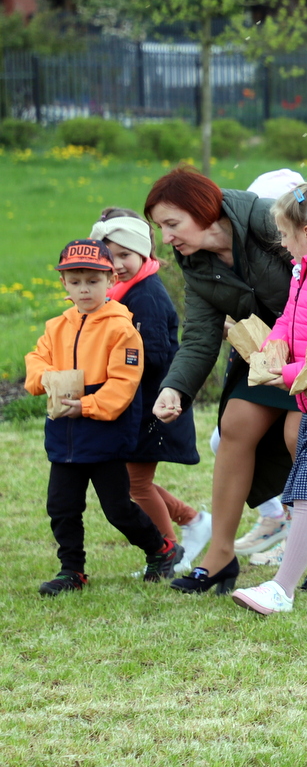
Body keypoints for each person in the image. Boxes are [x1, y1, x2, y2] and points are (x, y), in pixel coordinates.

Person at [145, 167, 297, 595]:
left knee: (298, 437)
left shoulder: (269, 219)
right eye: (161, 227)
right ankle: (221, 556)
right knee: (234, 425)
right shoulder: (194, 260)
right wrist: (174, 389)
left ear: (202, 210)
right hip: (264, 355)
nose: (167, 237)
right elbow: (199, 335)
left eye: (172, 224)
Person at [26, 240, 181, 595]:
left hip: (106, 435)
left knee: (117, 510)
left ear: (110, 280)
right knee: (62, 507)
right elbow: (36, 360)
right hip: (64, 432)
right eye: (75, 280)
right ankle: (72, 570)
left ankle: (161, 550)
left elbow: (124, 385)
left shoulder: (122, 329)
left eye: (93, 281)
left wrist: (87, 406)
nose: (84, 288)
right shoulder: (56, 327)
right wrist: (45, 380)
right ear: (64, 283)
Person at [231, 176, 307, 616]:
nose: (281, 244)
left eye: (284, 234)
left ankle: (282, 589)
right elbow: (288, 317)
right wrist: (269, 349)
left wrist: (282, 374)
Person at [89, 209, 210, 573]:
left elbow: (155, 356)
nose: (120, 264)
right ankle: (192, 520)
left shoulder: (145, 296)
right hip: (132, 406)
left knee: (135, 484)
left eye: (126, 255)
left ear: (145, 254)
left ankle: (167, 552)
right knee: (131, 482)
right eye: (112, 257)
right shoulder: (121, 293)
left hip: (152, 405)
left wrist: (115, 367)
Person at [231, 169, 305, 563]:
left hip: (301, 377)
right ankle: (276, 518)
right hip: (275, 368)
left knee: (300, 448)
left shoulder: (306, 262)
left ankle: (300, 539)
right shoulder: (264, 258)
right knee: (224, 439)